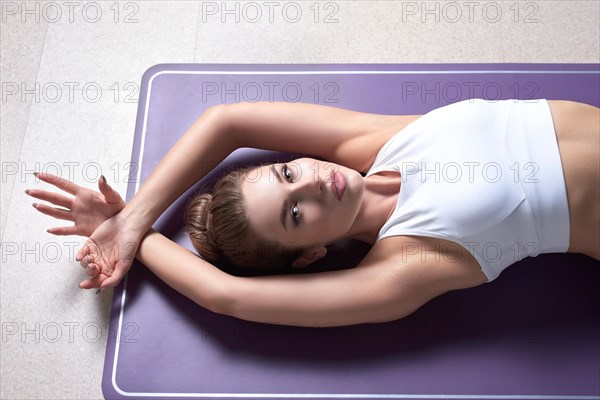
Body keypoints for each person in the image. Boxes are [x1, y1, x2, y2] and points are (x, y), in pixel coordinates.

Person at [29, 99, 600, 327]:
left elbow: (229, 122)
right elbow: (228, 296)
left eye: (286, 174)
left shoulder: (375, 146)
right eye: (295, 214)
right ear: (311, 255)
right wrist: (137, 236)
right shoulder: (405, 266)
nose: (312, 186)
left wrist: (131, 218)